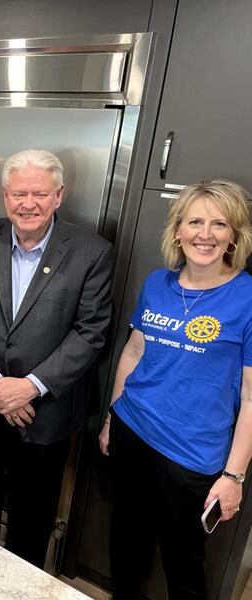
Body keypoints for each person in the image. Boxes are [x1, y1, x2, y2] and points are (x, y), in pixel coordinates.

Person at [0, 149, 113, 568]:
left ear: (59, 196)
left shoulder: (92, 252)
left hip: (45, 415)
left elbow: (91, 333)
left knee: (31, 524)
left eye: (40, 193)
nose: (29, 203)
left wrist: (29, 387)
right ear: (5, 196)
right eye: (20, 193)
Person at [99, 179, 252, 599]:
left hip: (192, 456)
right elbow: (133, 353)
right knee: (126, 547)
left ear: (234, 235)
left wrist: (234, 475)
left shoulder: (247, 299)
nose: (205, 234)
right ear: (178, 231)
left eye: (219, 224)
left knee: (183, 565)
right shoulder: (156, 284)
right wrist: (113, 416)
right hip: (133, 432)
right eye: (195, 222)